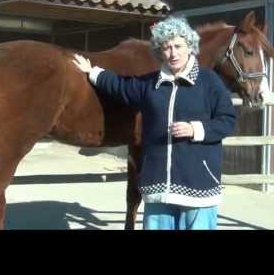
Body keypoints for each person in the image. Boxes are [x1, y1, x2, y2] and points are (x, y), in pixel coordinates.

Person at [73, 16, 237, 230]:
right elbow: (120, 85)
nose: (173, 53)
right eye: (166, 47)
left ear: (190, 46)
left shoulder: (209, 82)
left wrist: (195, 129)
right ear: (160, 52)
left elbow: (227, 121)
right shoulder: (150, 83)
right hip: (158, 187)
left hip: (198, 187)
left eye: (178, 45)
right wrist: (92, 72)